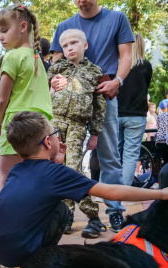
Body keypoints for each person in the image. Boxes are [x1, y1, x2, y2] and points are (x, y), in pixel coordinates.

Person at [0, 111, 168, 268]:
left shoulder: (18, 169)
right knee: (62, 210)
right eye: (56, 133)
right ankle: (33, 265)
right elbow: (110, 191)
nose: (58, 137)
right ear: (48, 142)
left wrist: (56, 161)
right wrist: (159, 194)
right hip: (15, 251)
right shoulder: (56, 174)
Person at [50, 0, 134, 232]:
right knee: (63, 160)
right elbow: (55, 63)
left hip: (103, 92)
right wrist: (53, 81)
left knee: (108, 157)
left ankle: (114, 211)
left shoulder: (117, 19)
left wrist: (118, 81)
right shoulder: (65, 25)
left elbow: (126, 55)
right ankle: (64, 213)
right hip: (67, 107)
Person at [47, 29, 106, 238]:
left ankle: (93, 217)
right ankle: (66, 215)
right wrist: (51, 86)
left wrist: (95, 133)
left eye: (74, 43)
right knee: (55, 169)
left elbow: (99, 106)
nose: (70, 48)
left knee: (72, 170)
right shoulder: (56, 68)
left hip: (78, 125)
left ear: (85, 46)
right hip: (54, 123)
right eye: (65, 45)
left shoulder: (95, 72)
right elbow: (44, 95)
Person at [0, 4, 53, 193]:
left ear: (23, 27)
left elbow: (2, 99)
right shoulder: (37, 59)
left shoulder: (12, 57)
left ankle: (7, 218)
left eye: (4, 30)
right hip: (42, 126)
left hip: (16, 123)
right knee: (36, 180)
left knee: (7, 177)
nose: (0, 37)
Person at [118, 34, 152, 187]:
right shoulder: (145, 66)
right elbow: (146, 87)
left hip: (116, 113)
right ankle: (125, 190)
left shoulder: (117, 65)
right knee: (131, 154)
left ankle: (110, 190)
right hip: (137, 116)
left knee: (114, 153)